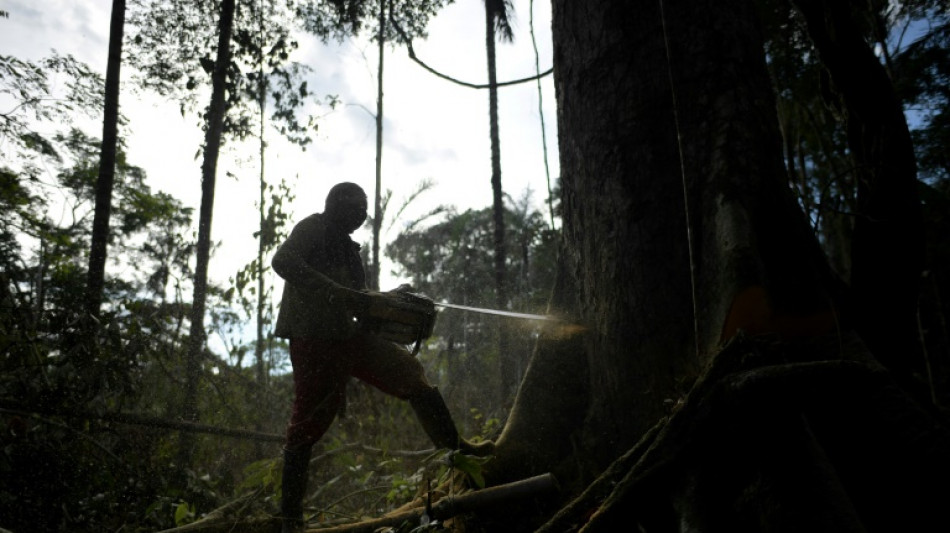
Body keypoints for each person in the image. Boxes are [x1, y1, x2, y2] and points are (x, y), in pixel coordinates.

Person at [272, 182, 492, 532]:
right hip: (314, 341)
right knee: (308, 423)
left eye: (363, 211)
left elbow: (360, 301)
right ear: (334, 206)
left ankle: (457, 448)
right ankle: (289, 516)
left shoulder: (350, 250)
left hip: (350, 337)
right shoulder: (312, 228)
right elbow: (282, 261)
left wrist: (390, 299)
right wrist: (337, 292)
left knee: (410, 372)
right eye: (354, 208)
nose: (360, 216)